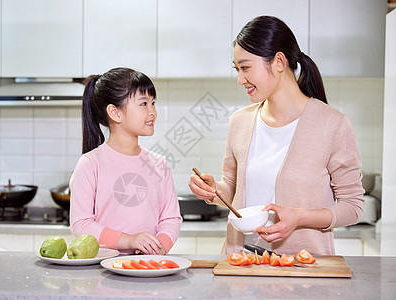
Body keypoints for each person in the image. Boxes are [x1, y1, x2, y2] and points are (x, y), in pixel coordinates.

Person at [188, 16, 364, 256]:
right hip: (241, 264)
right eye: (237, 69)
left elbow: (352, 207)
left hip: (303, 270)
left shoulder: (333, 125)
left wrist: (300, 217)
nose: (240, 79)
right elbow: (234, 188)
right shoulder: (239, 122)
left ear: (279, 61)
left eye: (245, 67)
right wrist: (214, 191)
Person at [70, 67, 182, 255]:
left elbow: (171, 218)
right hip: (103, 270)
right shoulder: (90, 163)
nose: (152, 111)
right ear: (115, 113)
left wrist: (158, 247)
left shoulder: (159, 164)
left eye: (153, 103)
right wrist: (128, 240)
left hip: (147, 268)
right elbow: (81, 224)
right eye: (143, 103)